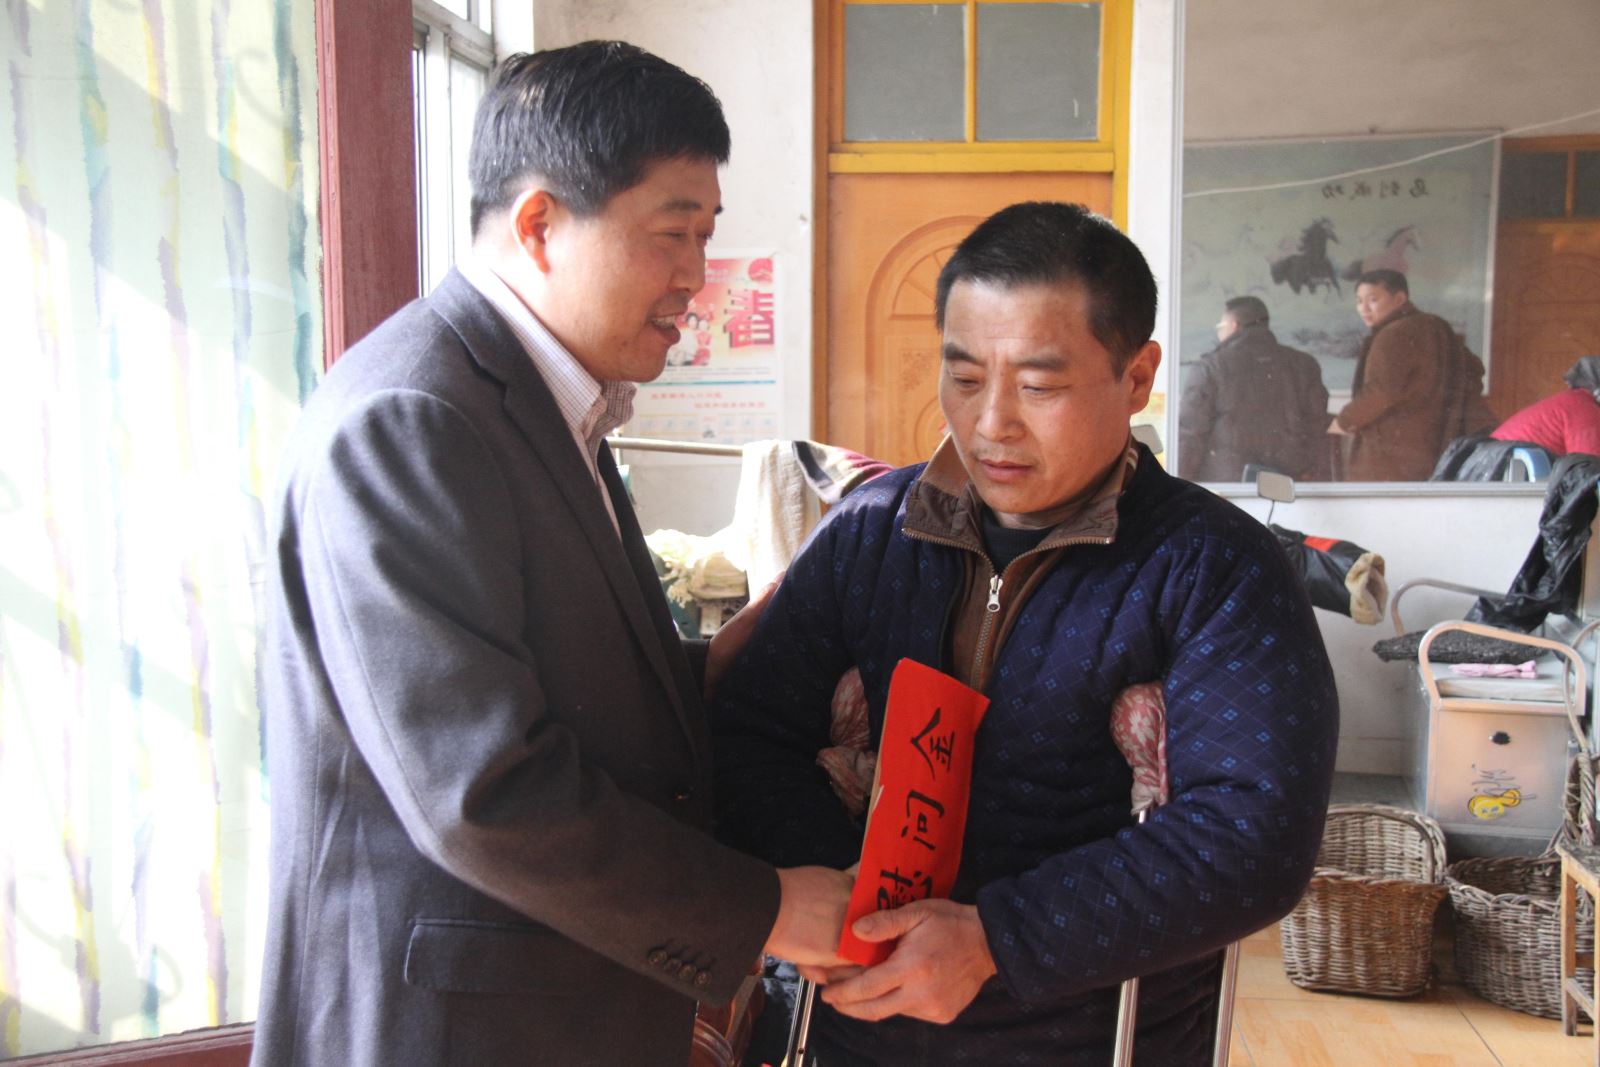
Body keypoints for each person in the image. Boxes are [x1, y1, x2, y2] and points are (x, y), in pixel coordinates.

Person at [252, 42, 851, 1067]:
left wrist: (730, 655)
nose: (695, 281)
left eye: (706, 239)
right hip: (451, 1032)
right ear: (539, 225)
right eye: (672, 235)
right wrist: (767, 908)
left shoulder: (547, 403)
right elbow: (481, 790)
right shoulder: (412, 418)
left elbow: (573, 683)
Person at [711, 202, 1340, 1065]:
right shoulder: (870, 532)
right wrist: (848, 902)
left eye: (1039, 386)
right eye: (965, 378)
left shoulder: (1215, 568)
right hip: (848, 1024)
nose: (991, 423)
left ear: (1137, 376)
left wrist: (996, 940)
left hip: (1097, 1039)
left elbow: (1250, 832)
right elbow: (750, 731)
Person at [1329, 269, 1496, 480]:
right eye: (1359, 301)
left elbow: (1380, 392)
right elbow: (1475, 370)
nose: (1364, 308)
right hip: (1437, 445)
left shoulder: (1392, 333)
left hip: (1391, 456)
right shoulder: (1437, 326)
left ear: (1399, 299)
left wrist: (1343, 422)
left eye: (1373, 300)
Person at [1178, 294, 1329, 481]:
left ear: (1233, 325)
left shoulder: (1210, 368)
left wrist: (1179, 484)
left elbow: (1190, 433)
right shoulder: (1304, 365)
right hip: (1288, 482)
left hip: (1226, 483)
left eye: (1220, 327)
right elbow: (1317, 426)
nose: (1218, 333)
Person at [1489, 354, 1600, 458]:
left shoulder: (1575, 401)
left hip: (1494, 463)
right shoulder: (1585, 410)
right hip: (1504, 466)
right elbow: (1590, 464)